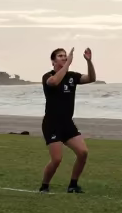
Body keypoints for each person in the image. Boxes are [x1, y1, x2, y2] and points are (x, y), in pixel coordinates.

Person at [39, 47, 96, 194]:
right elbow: (54, 82)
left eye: (65, 56)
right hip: (52, 124)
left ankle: (73, 185)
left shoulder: (72, 76)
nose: (64, 58)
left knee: (83, 152)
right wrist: (67, 65)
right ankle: (44, 186)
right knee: (57, 160)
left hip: (67, 124)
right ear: (53, 61)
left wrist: (89, 62)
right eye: (60, 56)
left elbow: (91, 78)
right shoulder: (48, 76)